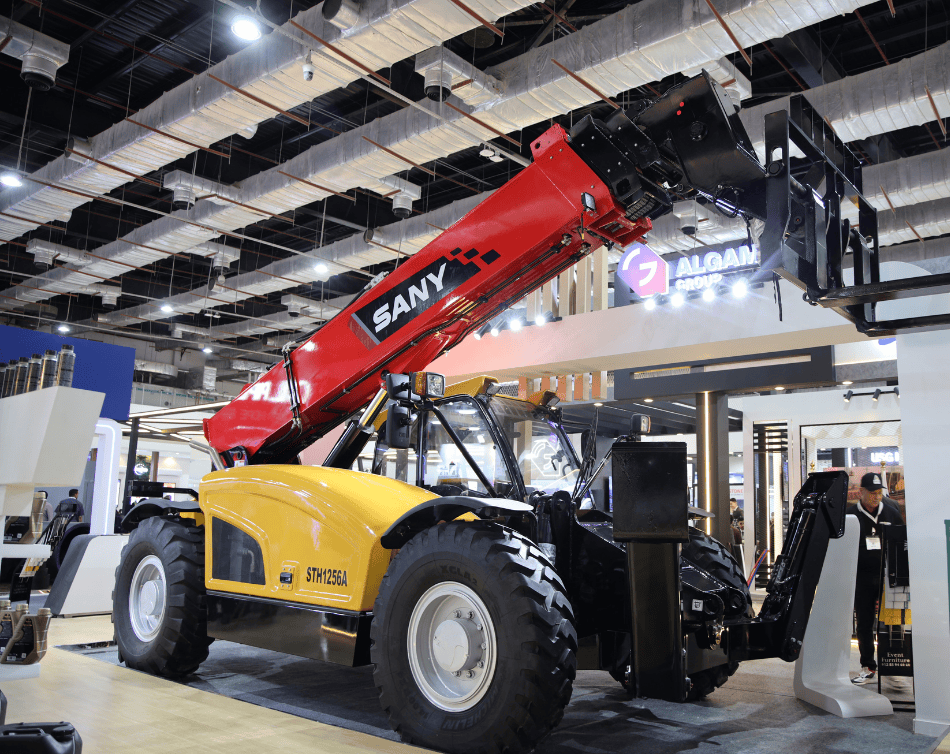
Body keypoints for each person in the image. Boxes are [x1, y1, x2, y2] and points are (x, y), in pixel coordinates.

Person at [847, 472, 903, 685]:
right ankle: (868, 667)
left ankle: (894, 666)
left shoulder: (891, 513)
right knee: (864, 623)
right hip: (862, 579)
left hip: (888, 578)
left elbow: (902, 543)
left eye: (879, 493)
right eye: (872, 492)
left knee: (892, 623)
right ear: (861, 492)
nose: (876, 497)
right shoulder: (850, 516)